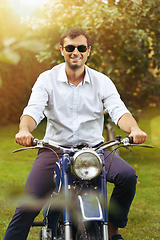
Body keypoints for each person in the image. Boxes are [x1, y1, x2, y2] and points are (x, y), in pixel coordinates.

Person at [4, 28, 147, 240]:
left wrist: (134, 129)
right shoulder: (47, 79)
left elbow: (119, 111)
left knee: (127, 176)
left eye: (81, 48)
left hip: (95, 150)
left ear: (88, 51)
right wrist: (24, 130)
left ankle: (114, 227)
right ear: (61, 50)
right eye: (70, 48)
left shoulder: (102, 81)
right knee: (27, 205)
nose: (75, 52)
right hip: (54, 150)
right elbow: (33, 110)